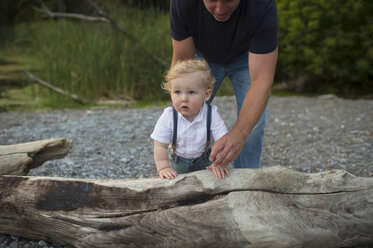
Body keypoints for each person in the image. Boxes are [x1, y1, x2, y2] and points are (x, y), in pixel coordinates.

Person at [169, 0, 278, 178]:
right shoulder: (182, 3)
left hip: (248, 57)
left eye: (228, 0)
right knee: (183, 116)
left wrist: (239, 135)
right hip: (203, 57)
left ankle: (246, 182)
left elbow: (261, 81)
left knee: (253, 127)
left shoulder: (262, 5)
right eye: (212, 0)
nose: (220, 9)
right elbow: (182, 64)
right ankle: (182, 175)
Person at [151, 59, 228, 179]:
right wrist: (164, 167)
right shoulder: (169, 116)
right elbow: (160, 145)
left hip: (205, 163)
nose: (183, 98)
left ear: (207, 94)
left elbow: (223, 140)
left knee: (210, 188)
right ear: (170, 92)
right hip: (178, 164)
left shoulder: (211, 114)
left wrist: (219, 163)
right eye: (177, 92)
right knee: (175, 190)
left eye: (191, 92)